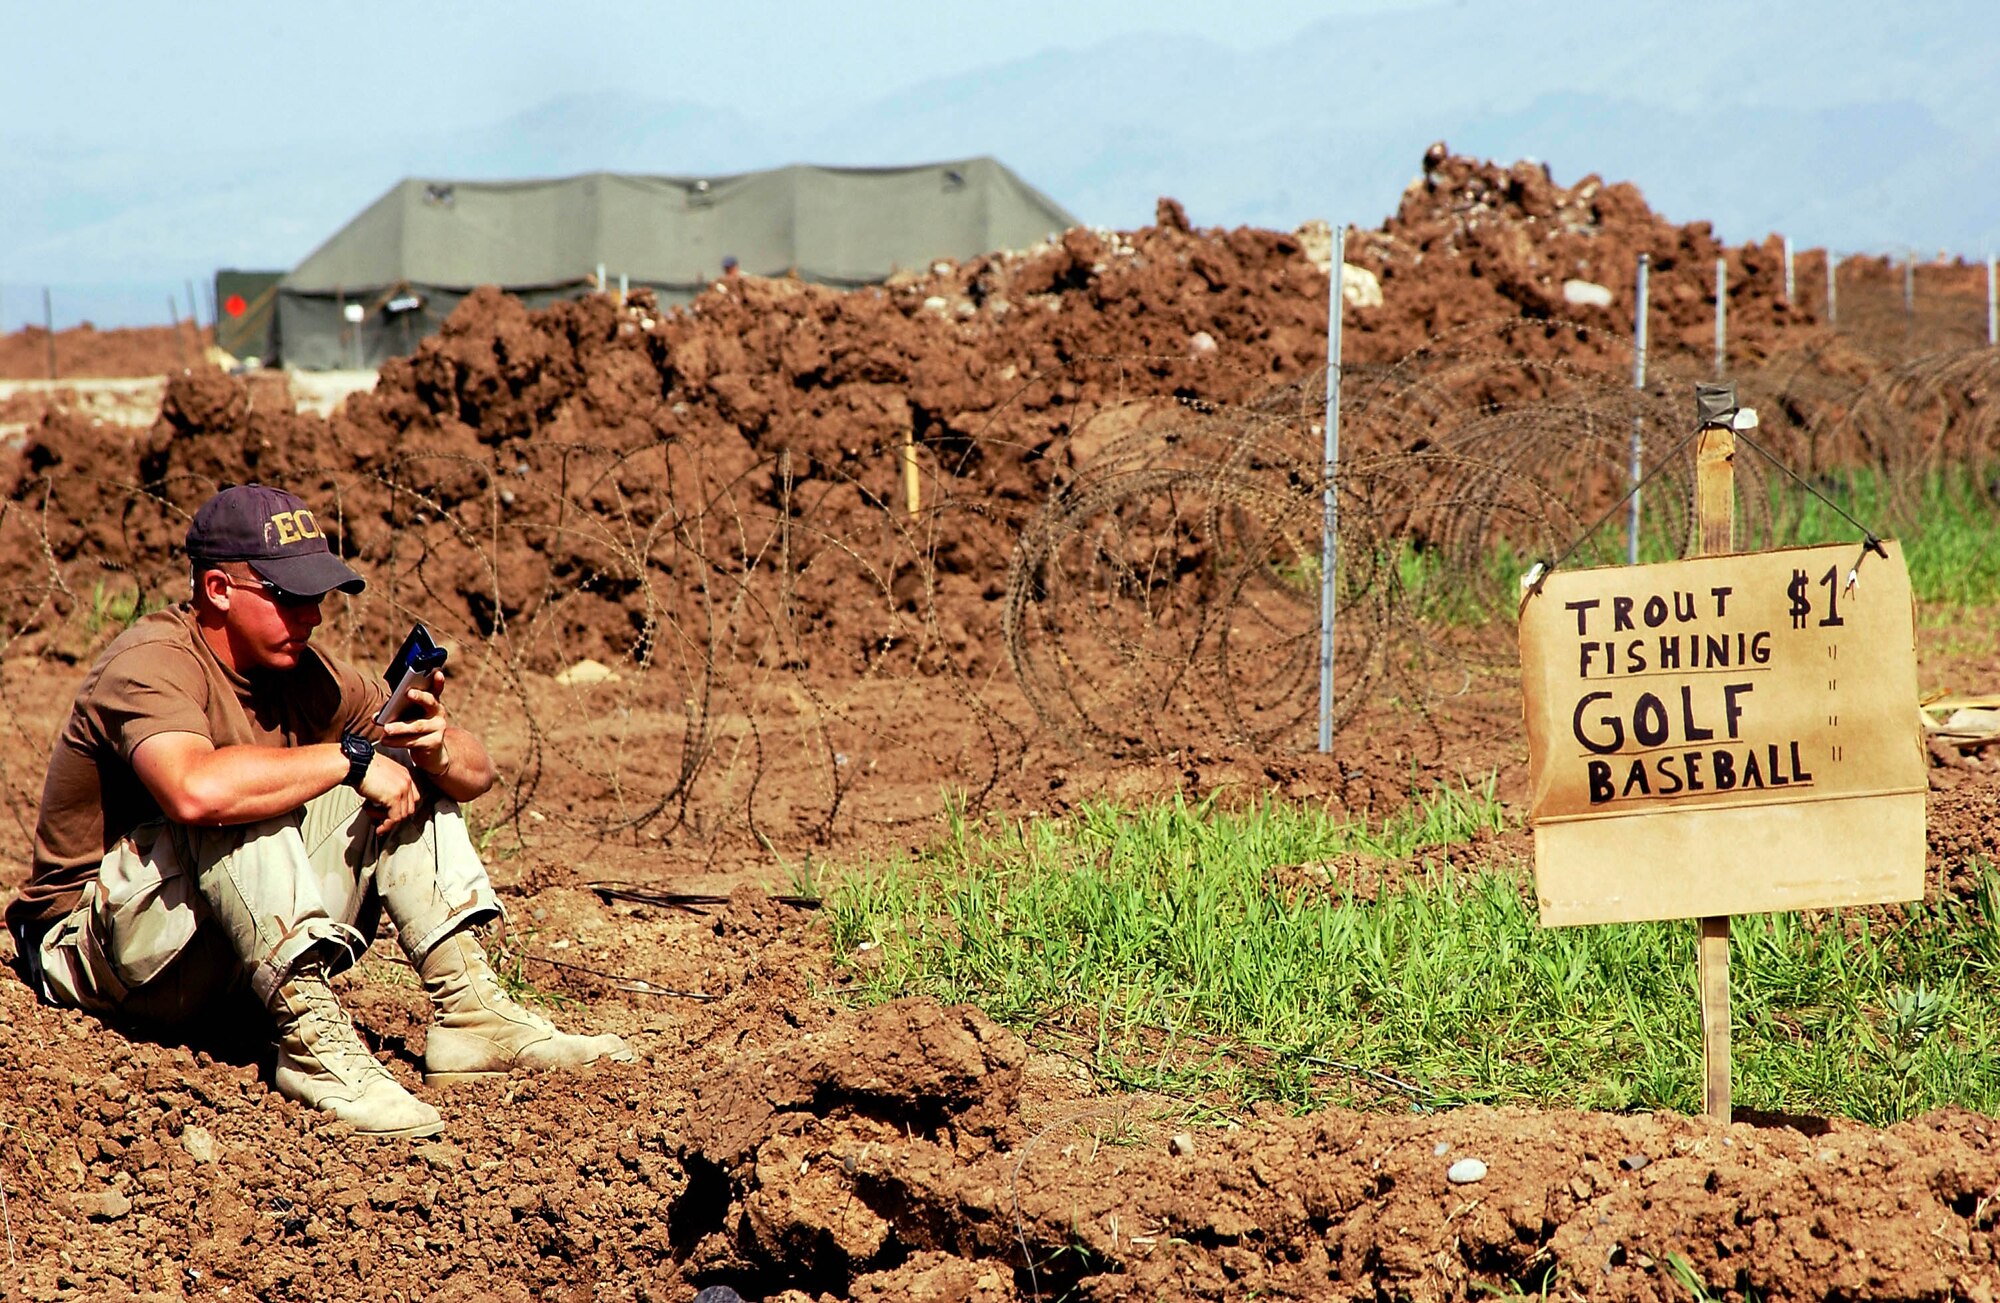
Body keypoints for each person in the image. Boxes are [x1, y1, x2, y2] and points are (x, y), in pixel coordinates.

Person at [4, 484, 633, 1139]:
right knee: (249, 793)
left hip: (199, 949)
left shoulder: (299, 670)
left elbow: (476, 774)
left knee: (403, 777)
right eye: (290, 596)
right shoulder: (151, 662)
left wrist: (434, 747)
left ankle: (471, 1012)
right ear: (218, 587)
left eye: (318, 596)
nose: (313, 616)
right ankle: (310, 1040)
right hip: (95, 954)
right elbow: (195, 790)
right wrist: (352, 760)